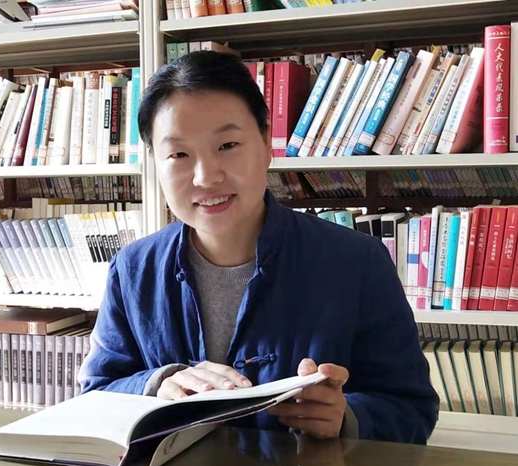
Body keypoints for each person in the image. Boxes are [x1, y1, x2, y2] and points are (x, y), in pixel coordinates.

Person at [79, 51, 439, 443]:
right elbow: (95, 395)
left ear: (266, 142)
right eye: (179, 154)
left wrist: (347, 417)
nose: (206, 177)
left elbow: (412, 408)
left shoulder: (358, 263)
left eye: (227, 145)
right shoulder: (133, 269)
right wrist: (156, 385)